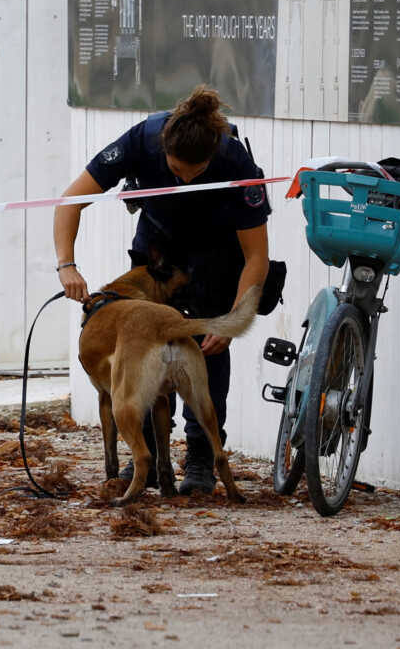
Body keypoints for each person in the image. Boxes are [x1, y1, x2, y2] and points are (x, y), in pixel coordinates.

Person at [52, 85, 271, 497]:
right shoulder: (141, 140)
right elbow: (69, 202)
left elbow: (256, 256)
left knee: (207, 348)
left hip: (216, 254)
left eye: (196, 172)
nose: (185, 177)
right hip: (157, 251)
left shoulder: (235, 161)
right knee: (140, 345)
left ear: (213, 157)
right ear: (163, 149)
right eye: (176, 169)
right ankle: (148, 457)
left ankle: (202, 458)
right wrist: (67, 265)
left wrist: (228, 322)